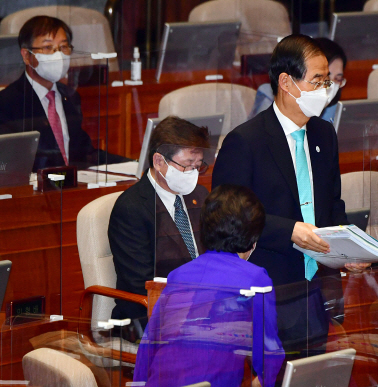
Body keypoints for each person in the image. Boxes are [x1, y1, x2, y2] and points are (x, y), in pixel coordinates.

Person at [212, 35, 364, 357]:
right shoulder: (246, 141)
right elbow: (228, 220)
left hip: (318, 287)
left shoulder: (324, 133)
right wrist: (290, 230)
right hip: (267, 287)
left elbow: (332, 204)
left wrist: (350, 247)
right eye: (317, 80)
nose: (326, 89)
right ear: (286, 82)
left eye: (328, 81)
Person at [133, 184, 284, 387]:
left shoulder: (178, 275)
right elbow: (269, 354)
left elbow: (149, 344)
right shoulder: (256, 279)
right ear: (253, 240)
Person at [108, 116, 210, 330]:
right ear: (158, 161)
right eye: (187, 166)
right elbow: (139, 283)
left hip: (204, 309)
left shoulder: (200, 196)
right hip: (153, 318)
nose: (193, 174)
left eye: (198, 166)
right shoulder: (132, 208)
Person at [0, 15, 127, 171]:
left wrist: (132, 164)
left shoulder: (70, 97)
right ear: (26, 56)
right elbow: (8, 165)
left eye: (64, 47)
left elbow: (85, 153)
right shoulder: (7, 102)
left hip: (71, 187)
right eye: (48, 48)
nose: (58, 55)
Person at [247, 37, 347, 124]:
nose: (331, 85)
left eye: (338, 79)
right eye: (324, 77)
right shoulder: (271, 98)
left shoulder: (335, 108)